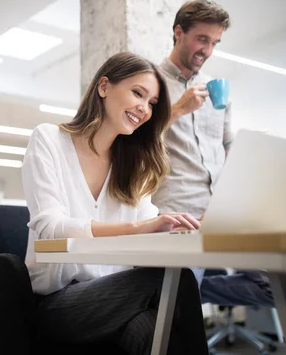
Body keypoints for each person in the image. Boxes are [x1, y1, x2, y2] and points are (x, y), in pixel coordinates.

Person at [22, 52, 208, 354]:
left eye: (151, 103)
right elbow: (50, 227)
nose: (144, 109)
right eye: (138, 93)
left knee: (152, 330)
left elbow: (151, 230)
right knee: (169, 280)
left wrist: (181, 229)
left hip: (121, 301)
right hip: (58, 303)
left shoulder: (134, 165)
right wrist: (138, 227)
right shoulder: (49, 140)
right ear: (104, 86)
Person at [153, 0, 286, 306]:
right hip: (180, 214)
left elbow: (228, 145)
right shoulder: (150, 82)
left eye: (215, 43)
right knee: (179, 310)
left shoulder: (216, 88)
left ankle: (197, 289)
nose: (207, 51)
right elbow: (133, 141)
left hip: (225, 212)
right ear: (178, 32)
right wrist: (178, 109)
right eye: (202, 39)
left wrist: (254, 194)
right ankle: (186, 291)